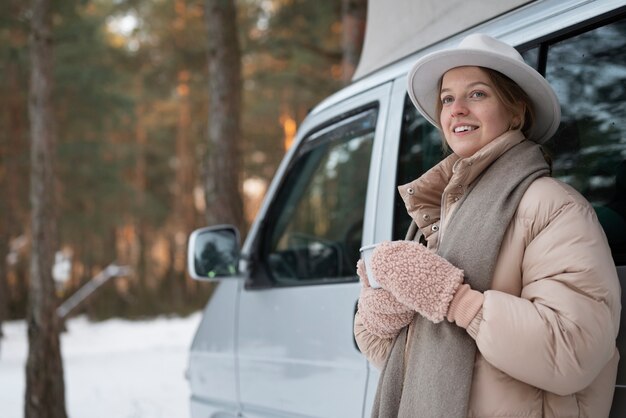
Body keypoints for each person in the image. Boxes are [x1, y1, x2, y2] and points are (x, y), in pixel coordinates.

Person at [354, 33, 621, 418]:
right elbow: (404, 360)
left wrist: (456, 301)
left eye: (477, 94)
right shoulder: (439, 215)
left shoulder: (552, 206)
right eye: (447, 98)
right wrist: (379, 316)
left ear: (516, 112)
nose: (456, 109)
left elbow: (572, 352)